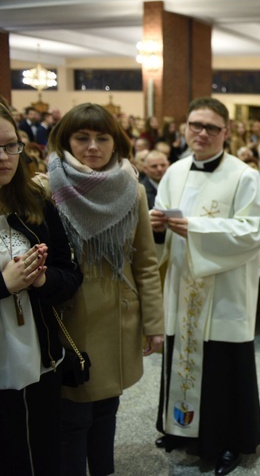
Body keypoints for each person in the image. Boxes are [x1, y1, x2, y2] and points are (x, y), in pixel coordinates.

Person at [151, 97, 260, 476]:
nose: (201, 133)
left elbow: (255, 230)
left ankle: (227, 443)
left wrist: (199, 229)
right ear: (185, 128)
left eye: (211, 127)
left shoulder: (243, 175)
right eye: (194, 125)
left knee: (223, 367)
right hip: (182, 286)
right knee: (182, 358)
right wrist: (157, 229)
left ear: (227, 132)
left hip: (222, 291)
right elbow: (160, 226)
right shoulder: (174, 172)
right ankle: (181, 431)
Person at [46, 102, 164, 476]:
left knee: (106, 408)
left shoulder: (132, 190)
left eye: (102, 138)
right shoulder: (45, 187)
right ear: (66, 141)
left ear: (117, 143)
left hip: (118, 314)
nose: (92, 146)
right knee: (73, 414)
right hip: (68, 316)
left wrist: (154, 323)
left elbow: (146, 261)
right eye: (82, 137)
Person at [0, 98, 83, 476]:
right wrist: (4, 284)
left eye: (9, 146)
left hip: (39, 352)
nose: (4, 157)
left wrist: (43, 279)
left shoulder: (36, 202)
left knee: (42, 448)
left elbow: (71, 275)